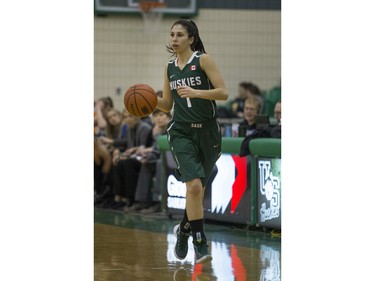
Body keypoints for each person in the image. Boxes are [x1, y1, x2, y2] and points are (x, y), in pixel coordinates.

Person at [155, 19, 228, 264]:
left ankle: (183, 229)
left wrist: (197, 92)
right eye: (172, 35)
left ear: (191, 39)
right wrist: (147, 101)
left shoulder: (203, 60)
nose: (174, 39)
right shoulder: (169, 67)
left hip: (208, 132)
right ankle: (199, 241)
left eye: (179, 35)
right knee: (194, 187)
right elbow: (166, 104)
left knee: (197, 191)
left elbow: (223, 92)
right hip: (181, 132)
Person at [128, 108, 172, 212]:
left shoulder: (173, 128)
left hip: (175, 160)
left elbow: (167, 147)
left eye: (161, 115)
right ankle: (142, 201)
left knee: (160, 164)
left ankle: (158, 201)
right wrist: (148, 157)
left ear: (169, 117)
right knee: (146, 164)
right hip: (162, 158)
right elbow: (156, 150)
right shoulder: (157, 129)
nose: (158, 118)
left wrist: (156, 136)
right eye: (156, 116)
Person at [108, 109, 153, 210]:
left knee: (127, 163)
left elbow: (142, 148)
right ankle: (118, 196)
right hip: (134, 156)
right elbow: (129, 148)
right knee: (118, 162)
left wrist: (127, 155)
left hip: (145, 157)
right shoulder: (129, 129)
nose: (128, 119)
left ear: (136, 117)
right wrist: (121, 155)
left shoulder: (144, 128)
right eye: (125, 117)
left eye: (130, 116)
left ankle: (130, 197)